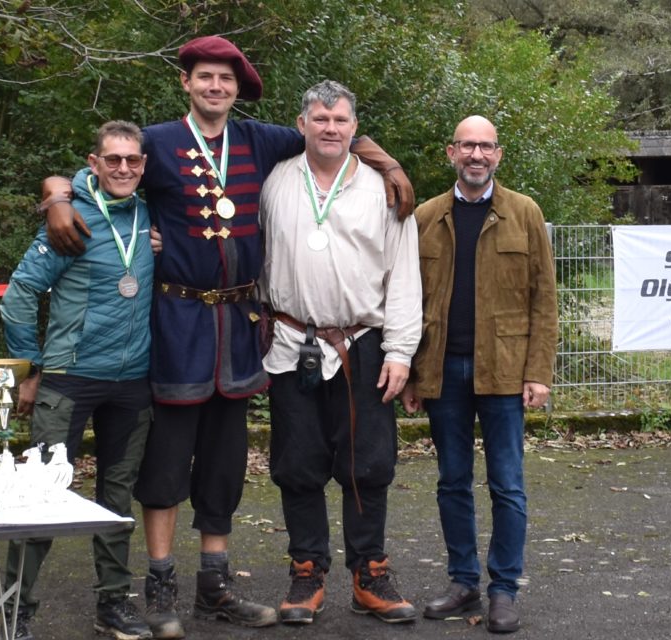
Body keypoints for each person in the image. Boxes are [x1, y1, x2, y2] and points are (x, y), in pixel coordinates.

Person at [36, 36, 415, 638]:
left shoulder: (262, 141)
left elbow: (334, 136)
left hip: (240, 329)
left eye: (225, 80)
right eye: (205, 77)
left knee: (224, 464)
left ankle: (214, 587)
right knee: (163, 465)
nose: (216, 87)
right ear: (185, 82)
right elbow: (98, 169)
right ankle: (161, 584)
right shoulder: (156, 143)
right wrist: (56, 197)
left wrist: (388, 163)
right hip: (176, 325)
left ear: (238, 90)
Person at [259, 79, 422, 626]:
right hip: (290, 342)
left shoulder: (384, 188)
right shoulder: (275, 180)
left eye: (341, 120)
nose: (331, 128)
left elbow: (404, 274)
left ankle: (369, 573)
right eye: (321, 119)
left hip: (364, 343)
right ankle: (306, 572)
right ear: (302, 123)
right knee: (296, 464)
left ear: (356, 127)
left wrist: (400, 351)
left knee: (368, 464)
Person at [401, 115, 558, 634]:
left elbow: (544, 299)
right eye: (467, 145)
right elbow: (408, 302)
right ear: (451, 153)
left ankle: (503, 589)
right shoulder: (425, 216)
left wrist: (538, 372)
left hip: (506, 373)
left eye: (485, 147)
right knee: (452, 482)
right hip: (443, 371)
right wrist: (415, 374)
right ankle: (463, 580)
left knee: (508, 485)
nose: (476, 155)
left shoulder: (524, 213)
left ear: (499, 154)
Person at [0, 120, 156, 640]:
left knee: (117, 500)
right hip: (69, 379)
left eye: (132, 160)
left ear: (143, 165)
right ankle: (15, 609)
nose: (123, 168)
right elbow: (19, 295)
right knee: (41, 496)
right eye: (112, 159)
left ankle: (113, 604)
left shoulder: (150, 213)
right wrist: (30, 368)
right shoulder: (68, 220)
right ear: (93, 163)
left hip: (132, 381)